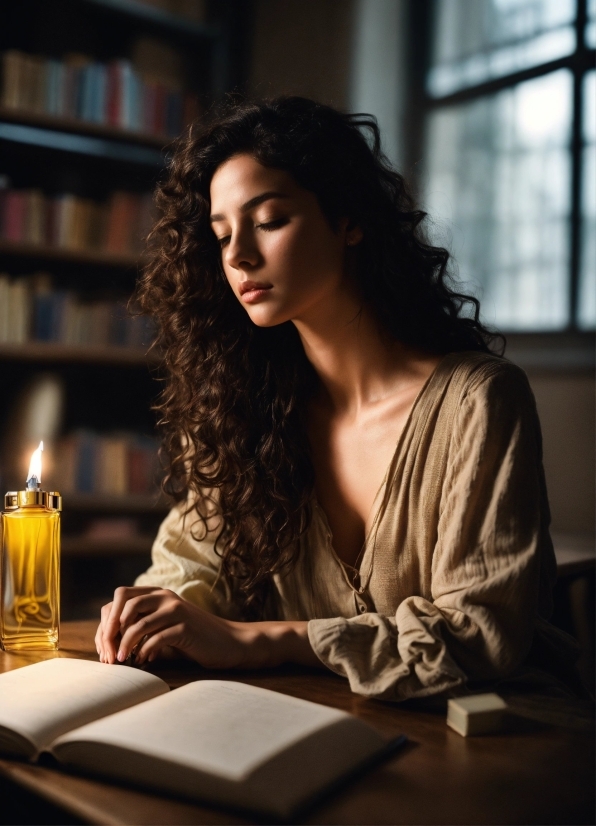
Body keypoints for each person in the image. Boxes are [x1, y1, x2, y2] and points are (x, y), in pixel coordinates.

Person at [95, 96, 577, 702]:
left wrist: (259, 640)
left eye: (269, 220)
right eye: (222, 236)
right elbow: (191, 563)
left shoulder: (477, 402)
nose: (240, 255)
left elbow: (479, 633)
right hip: (316, 724)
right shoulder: (244, 409)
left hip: (496, 739)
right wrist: (162, 614)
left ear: (349, 221)